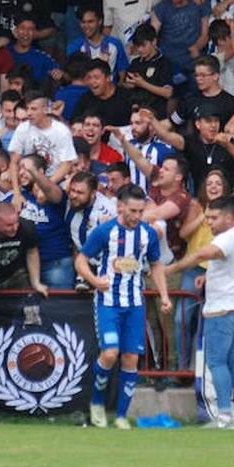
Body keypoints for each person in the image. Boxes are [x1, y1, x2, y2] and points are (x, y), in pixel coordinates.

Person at [75, 183, 171, 430]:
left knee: (131, 358)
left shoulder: (147, 234)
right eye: (132, 211)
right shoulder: (105, 231)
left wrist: (164, 295)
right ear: (121, 207)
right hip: (108, 302)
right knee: (110, 353)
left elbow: (156, 265)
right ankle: (96, 404)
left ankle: (120, 415)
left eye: (140, 211)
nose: (137, 216)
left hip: (135, 303)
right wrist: (94, 280)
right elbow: (81, 260)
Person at [166, 196, 234, 428]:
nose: (209, 223)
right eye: (208, 218)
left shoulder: (227, 238)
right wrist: (207, 276)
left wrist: (171, 269)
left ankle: (224, 415)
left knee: (216, 361)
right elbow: (229, 263)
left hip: (222, 309)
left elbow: (200, 255)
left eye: (214, 218)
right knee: (232, 361)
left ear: (229, 218)